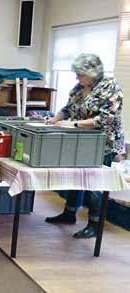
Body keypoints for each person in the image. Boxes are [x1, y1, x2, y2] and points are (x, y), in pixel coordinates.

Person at [45, 53, 125, 238]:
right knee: (76, 176)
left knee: (94, 182)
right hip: (82, 140)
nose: (77, 78)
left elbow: (106, 119)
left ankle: (95, 225)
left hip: (104, 142)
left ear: (93, 72)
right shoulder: (79, 87)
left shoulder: (110, 88)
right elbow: (68, 109)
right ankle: (69, 213)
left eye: (81, 74)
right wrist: (54, 119)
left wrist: (74, 124)